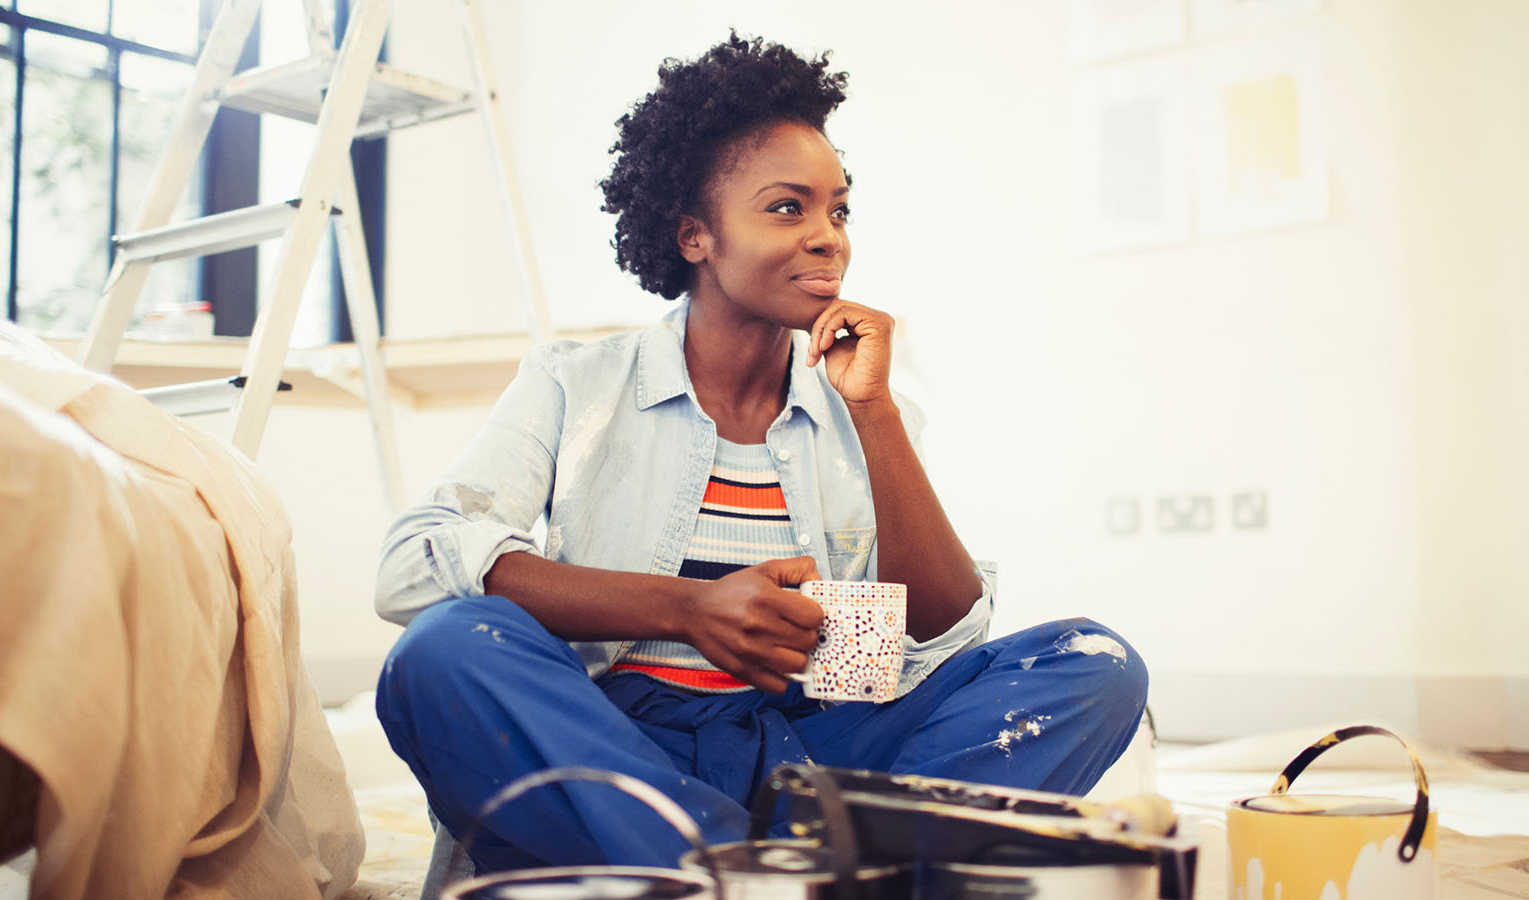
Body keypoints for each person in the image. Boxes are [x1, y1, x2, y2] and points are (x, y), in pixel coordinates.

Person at [373, 32, 1147, 873]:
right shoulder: (577, 384)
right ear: (695, 235)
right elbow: (416, 561)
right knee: (445, 647)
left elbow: (939, 640)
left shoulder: (863, 408)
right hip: (622, 743)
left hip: (814, 741)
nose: (829, 238)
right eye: (789, 208)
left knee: (1092, 664)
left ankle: (746, 867)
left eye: (839, 209)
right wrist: (686, 610)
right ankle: (787, 869)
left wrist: (876, 413)